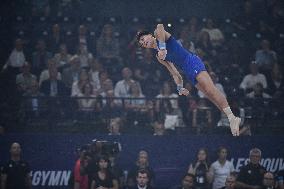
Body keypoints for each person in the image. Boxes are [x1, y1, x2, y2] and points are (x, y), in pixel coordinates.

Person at [136, 24, 240, 136]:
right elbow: (175, 73)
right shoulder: (158, 56)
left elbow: (160, 27)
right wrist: (180, 87)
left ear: (150, 35)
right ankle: (231, 118)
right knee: (209, 96)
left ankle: (232, 117)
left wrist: (162, 48)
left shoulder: (158, 34)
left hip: (191, 61)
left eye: (143, 39)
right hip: (187, 71)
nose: (143, 43)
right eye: (142, 44)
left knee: (211, 90)